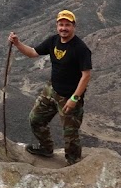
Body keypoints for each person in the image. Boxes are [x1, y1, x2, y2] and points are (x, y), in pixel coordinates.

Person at [8, 9, 92, 166]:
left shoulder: (80, 48)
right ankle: (46, 148)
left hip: (70, 95)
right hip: (52, 89)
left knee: (70, 132)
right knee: (36, 119)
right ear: (57, 26)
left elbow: (86, 75)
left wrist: (75, 98)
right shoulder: (53, 41)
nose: (63, 28)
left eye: (67, 25)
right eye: (61, 25)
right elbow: (33, 53)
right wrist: (17, 43)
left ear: (74, 26)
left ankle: (73, 163)